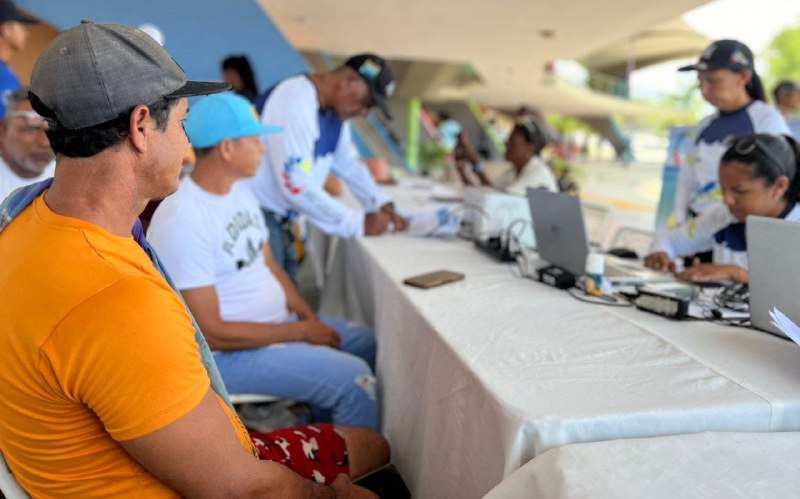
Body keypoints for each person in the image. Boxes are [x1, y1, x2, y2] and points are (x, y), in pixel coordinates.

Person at [0, 21, 386, 498]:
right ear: (141, 127)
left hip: (158, 449)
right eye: (182, 124)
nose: (187, 146)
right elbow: (243, 490)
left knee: (371, 446)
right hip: (198, 478)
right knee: (378, 462)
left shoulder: (20, 219)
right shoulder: (115, 299)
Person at [148, 92, 380, 430]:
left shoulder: (241, 191)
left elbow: (269, 264)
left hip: (276, 326)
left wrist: (307, 316)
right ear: (227, 148)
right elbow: (211, 334)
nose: (263, 148)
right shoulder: (183, 217)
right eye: (255, 139)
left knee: (370, 343)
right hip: (229, 355)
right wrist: (300, 331)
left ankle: (324, 435)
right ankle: (348, 470)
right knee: (355, 379)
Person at [247, 53, 408, 281]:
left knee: (286, 302)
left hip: (283, 219)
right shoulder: (294, 99)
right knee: (271, 306)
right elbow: (296, 185)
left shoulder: (334, 113)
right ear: (348, 81)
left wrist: (380, 202)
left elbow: (349, 164)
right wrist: (358, 223)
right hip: (259, 215)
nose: (365, 113)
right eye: (367, 102)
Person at [645, 134, 800, 283]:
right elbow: (668, 240)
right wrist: (661, 253)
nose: (727, 200)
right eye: (723, 189)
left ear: (779, 186)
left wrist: (737, 274)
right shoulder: (723, 216)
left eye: (740, 191)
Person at [673, 40, 789, 232]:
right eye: (700, 81)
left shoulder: (767, 120)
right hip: (699, 229)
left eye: (712, 80)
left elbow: (779, 185)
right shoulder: (705, 125)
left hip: (739, 232)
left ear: (743, 77)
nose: (704, 89)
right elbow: (687, 176)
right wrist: (679, 222)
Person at [454, 118, 558, 194]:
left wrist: (474, 161)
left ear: (530, 148)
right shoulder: (513, 170)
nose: (506, 144)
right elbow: (486, 191)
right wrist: (461, 171)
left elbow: (499, 200)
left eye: (512, 142)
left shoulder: (537, 173)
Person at [0, 86, 54, 199]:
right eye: (31, 128)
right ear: (4, 130)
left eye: (51, 130)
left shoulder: (67, 177)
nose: (44, 142)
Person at [0, 0, 36, 119]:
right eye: (21, 25)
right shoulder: (3, 75)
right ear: (6, 29)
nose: (26, 33)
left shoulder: (5, 72)